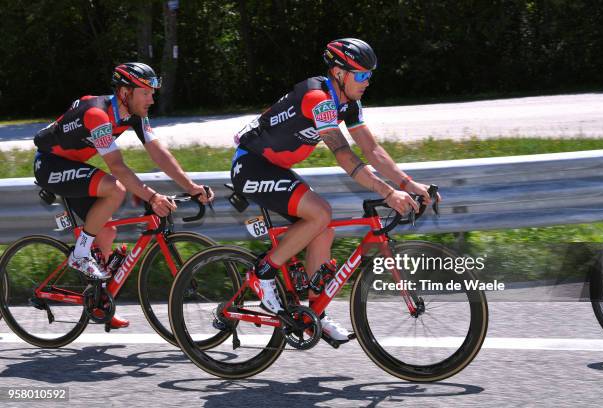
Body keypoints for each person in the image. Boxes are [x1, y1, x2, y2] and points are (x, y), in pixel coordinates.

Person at [231, 38, 441, 342]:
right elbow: (343, 154)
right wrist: (387, 193)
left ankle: (315, 313)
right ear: (339, 73)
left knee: (324, 229)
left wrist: (409, 184)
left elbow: (372, 150)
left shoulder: (349, 103)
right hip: (251, 165)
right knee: (321, 213)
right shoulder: (318, 97)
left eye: (370, 75)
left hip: (274, 167)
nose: (367, 81)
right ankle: (262, 273)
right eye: (361, 75)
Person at [33, 62, 214, 329]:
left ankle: (100, 301)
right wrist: (152, 197)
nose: (152, 99)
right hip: (50, 165)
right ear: (125, 92)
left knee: (106, 233)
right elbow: (117, 166)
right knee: (115, 188)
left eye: (153, 93)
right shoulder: (97, 114)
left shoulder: (134, 113)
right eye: (146, 92)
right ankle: (80, 254)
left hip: (74, 167)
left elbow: (157, 152)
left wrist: (191, 186)